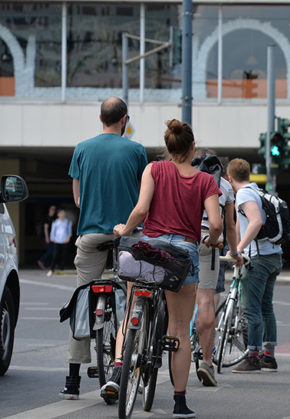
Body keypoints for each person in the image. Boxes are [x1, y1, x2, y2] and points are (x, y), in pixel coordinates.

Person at [107, 119, 222, 418]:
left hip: (151, 247)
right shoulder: (205, 181)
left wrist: (124, 230)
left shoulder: (154, 169)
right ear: (192, 147)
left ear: (168, 147)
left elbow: (142, 209)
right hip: (182, 253)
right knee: (180, 330)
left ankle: (119, 368)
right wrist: (212, 239)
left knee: (133, 306)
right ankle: (180, 402)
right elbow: (218, 223)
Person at [60, 97, 148, 400]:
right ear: (124, 119)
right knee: (134, 298)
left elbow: (78, 200)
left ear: (101, 118)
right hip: (127, 236)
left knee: (82, 301)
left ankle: (72, 380)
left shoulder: (82, 149)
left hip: (91, 236)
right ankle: (120, 370)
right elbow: (143, 199)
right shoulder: (136, 150)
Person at [226, 158, 283, 373]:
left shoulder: (243, 194)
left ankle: (252, 357)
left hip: (257, 260)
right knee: (266, 306)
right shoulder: (258, 192)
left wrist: (238, 248)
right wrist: (235, 246)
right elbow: (244, 224)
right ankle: (269, 356)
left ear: (230, 179)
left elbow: (256, 221)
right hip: (274, 257)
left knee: (251, 309)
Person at [193, 150, 239, 386]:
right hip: (207, 241)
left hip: (180, 240)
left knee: (175, 302)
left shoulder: (185, 176)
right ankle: (207, 362)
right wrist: (235, 252)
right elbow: (228, 225)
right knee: (205, 302)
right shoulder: (223, 185)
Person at [48, 209, 73, 276]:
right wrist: (53, 239)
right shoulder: (55, 222)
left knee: (64, 255)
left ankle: (62, 269)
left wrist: (68, 239)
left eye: (63, 213)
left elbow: (69, 232)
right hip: (57, 241)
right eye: (61, 213)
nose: (62, 214)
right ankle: (52, 269)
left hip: (64, 241)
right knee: (55, 255)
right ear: (58, 214)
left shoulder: (68, 222)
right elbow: (52, 232)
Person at [38, 205, 57, 271]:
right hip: (48, 237)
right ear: (49, 209)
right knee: (50, 251)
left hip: (53, 237)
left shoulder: (53, 218)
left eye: (54, 209)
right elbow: (45, 228)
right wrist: (47, 237)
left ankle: (47, 265)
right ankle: (41, 260)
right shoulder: (47, 218)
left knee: (52, 251)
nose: (53, 210)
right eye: (52, 209)